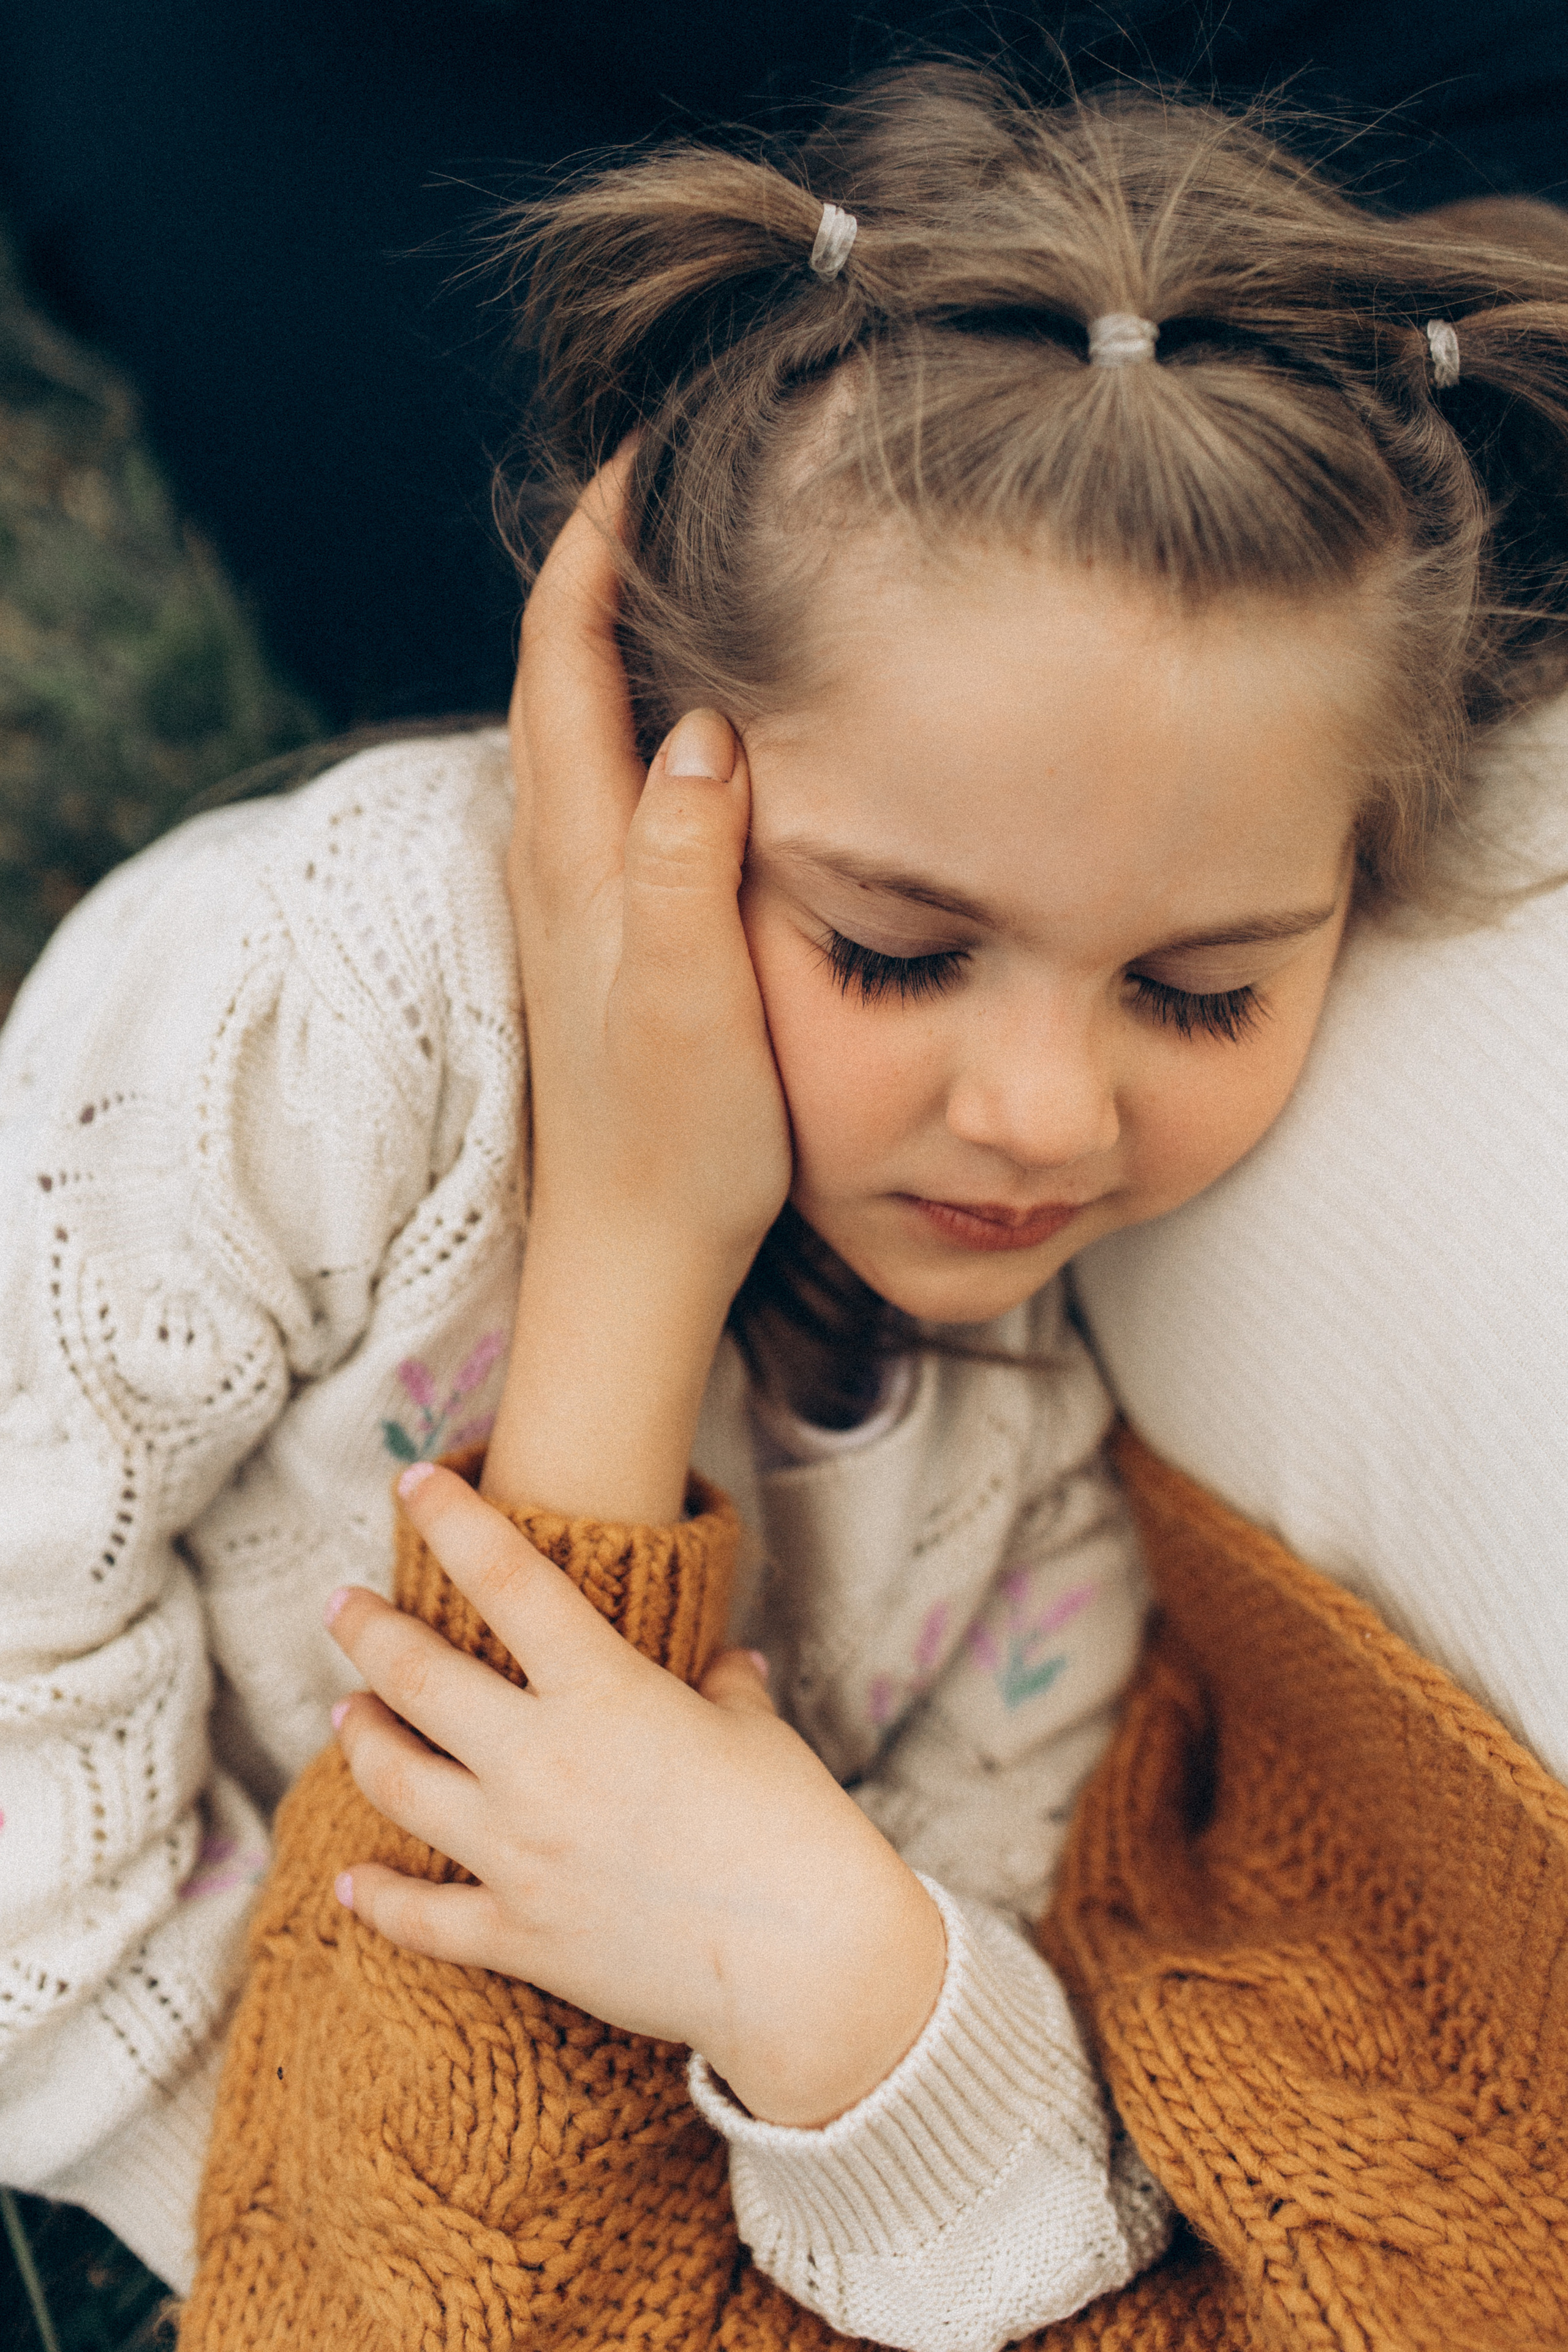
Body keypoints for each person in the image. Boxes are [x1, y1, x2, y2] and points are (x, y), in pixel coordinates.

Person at [4, 63, 1568, 2351]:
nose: (1042, 1117)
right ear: (648, 743)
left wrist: (873, 2000)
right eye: (896, 950)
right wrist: (236, 2175)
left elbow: (1031, 2201)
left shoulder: (1040, 1463)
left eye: (1199, 993)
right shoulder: (307, 1015)